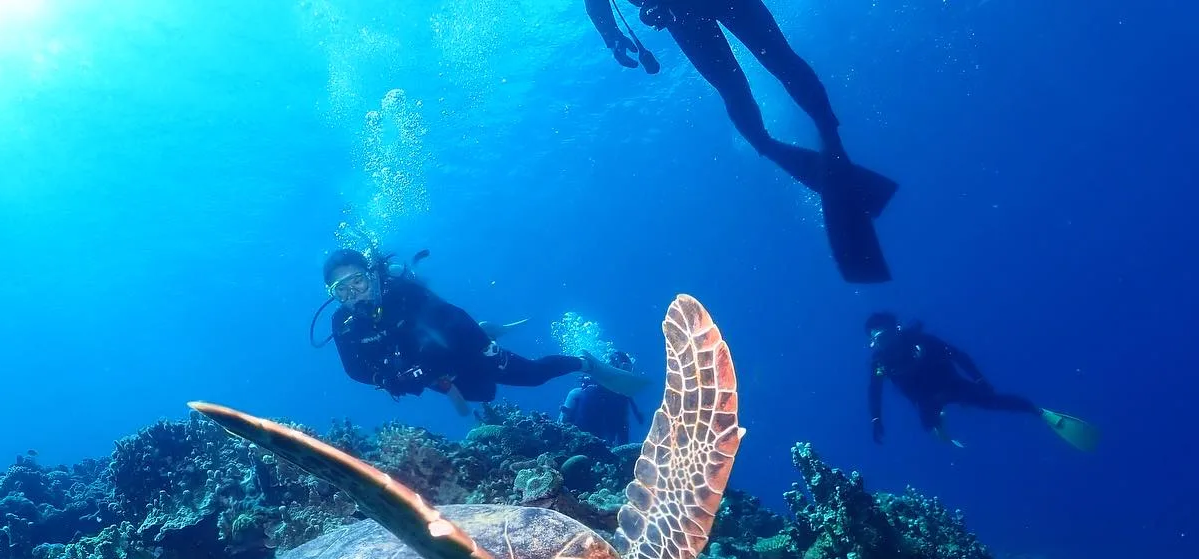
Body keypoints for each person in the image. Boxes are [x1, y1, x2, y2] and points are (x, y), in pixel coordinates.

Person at [585, 0, 898, 283]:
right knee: (759, 79)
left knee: (775, 64)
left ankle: (824, 140)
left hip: (693, 10)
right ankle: (817, 147)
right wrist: (610, 33)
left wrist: (611, 33)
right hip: (681, 14)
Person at [320, 249, 648, 413]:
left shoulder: (405, 294)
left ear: (372, 276)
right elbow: (354, 370)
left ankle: (586, 363)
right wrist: (387, 379)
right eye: (341, 290)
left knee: (532, 376)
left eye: (358, 282)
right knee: (483, 395)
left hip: (464, 347)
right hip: (428, 374)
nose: (354, 295)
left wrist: (480, 348)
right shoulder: (343, 324)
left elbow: (456, 319)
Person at [865, 312, 1099, 451]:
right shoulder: (880, 363)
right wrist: (876, 418)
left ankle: (1038, 412)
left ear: (896, 331)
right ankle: (939, 426)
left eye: (884, 337)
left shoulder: (920, 340)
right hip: (925, 400)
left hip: (952, 386)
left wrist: (979, 379)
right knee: (929, 424)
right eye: (877, 341)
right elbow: (874, 390)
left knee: (992, 401)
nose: (883, 345)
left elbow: (957, 354)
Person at [559, 351, 646, 445]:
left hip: (592, 450)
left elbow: (623, 431)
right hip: (578, 447)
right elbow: (623, 434)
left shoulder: (622, 399)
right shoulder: (578, 393)